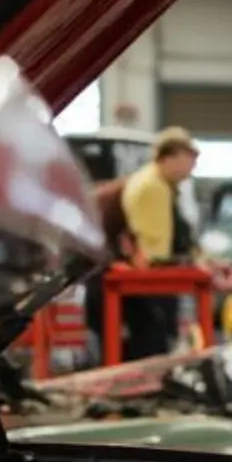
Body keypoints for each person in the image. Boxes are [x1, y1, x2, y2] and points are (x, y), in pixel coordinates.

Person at [84, 127, 200, 362]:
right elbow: (154, 255)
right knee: (150, 337)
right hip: (112, 281)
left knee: (141, 336)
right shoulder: (152, 187)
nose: (193, 166)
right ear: (172, 156)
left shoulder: (158, 184)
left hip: (103, 277)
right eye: (190, 158)